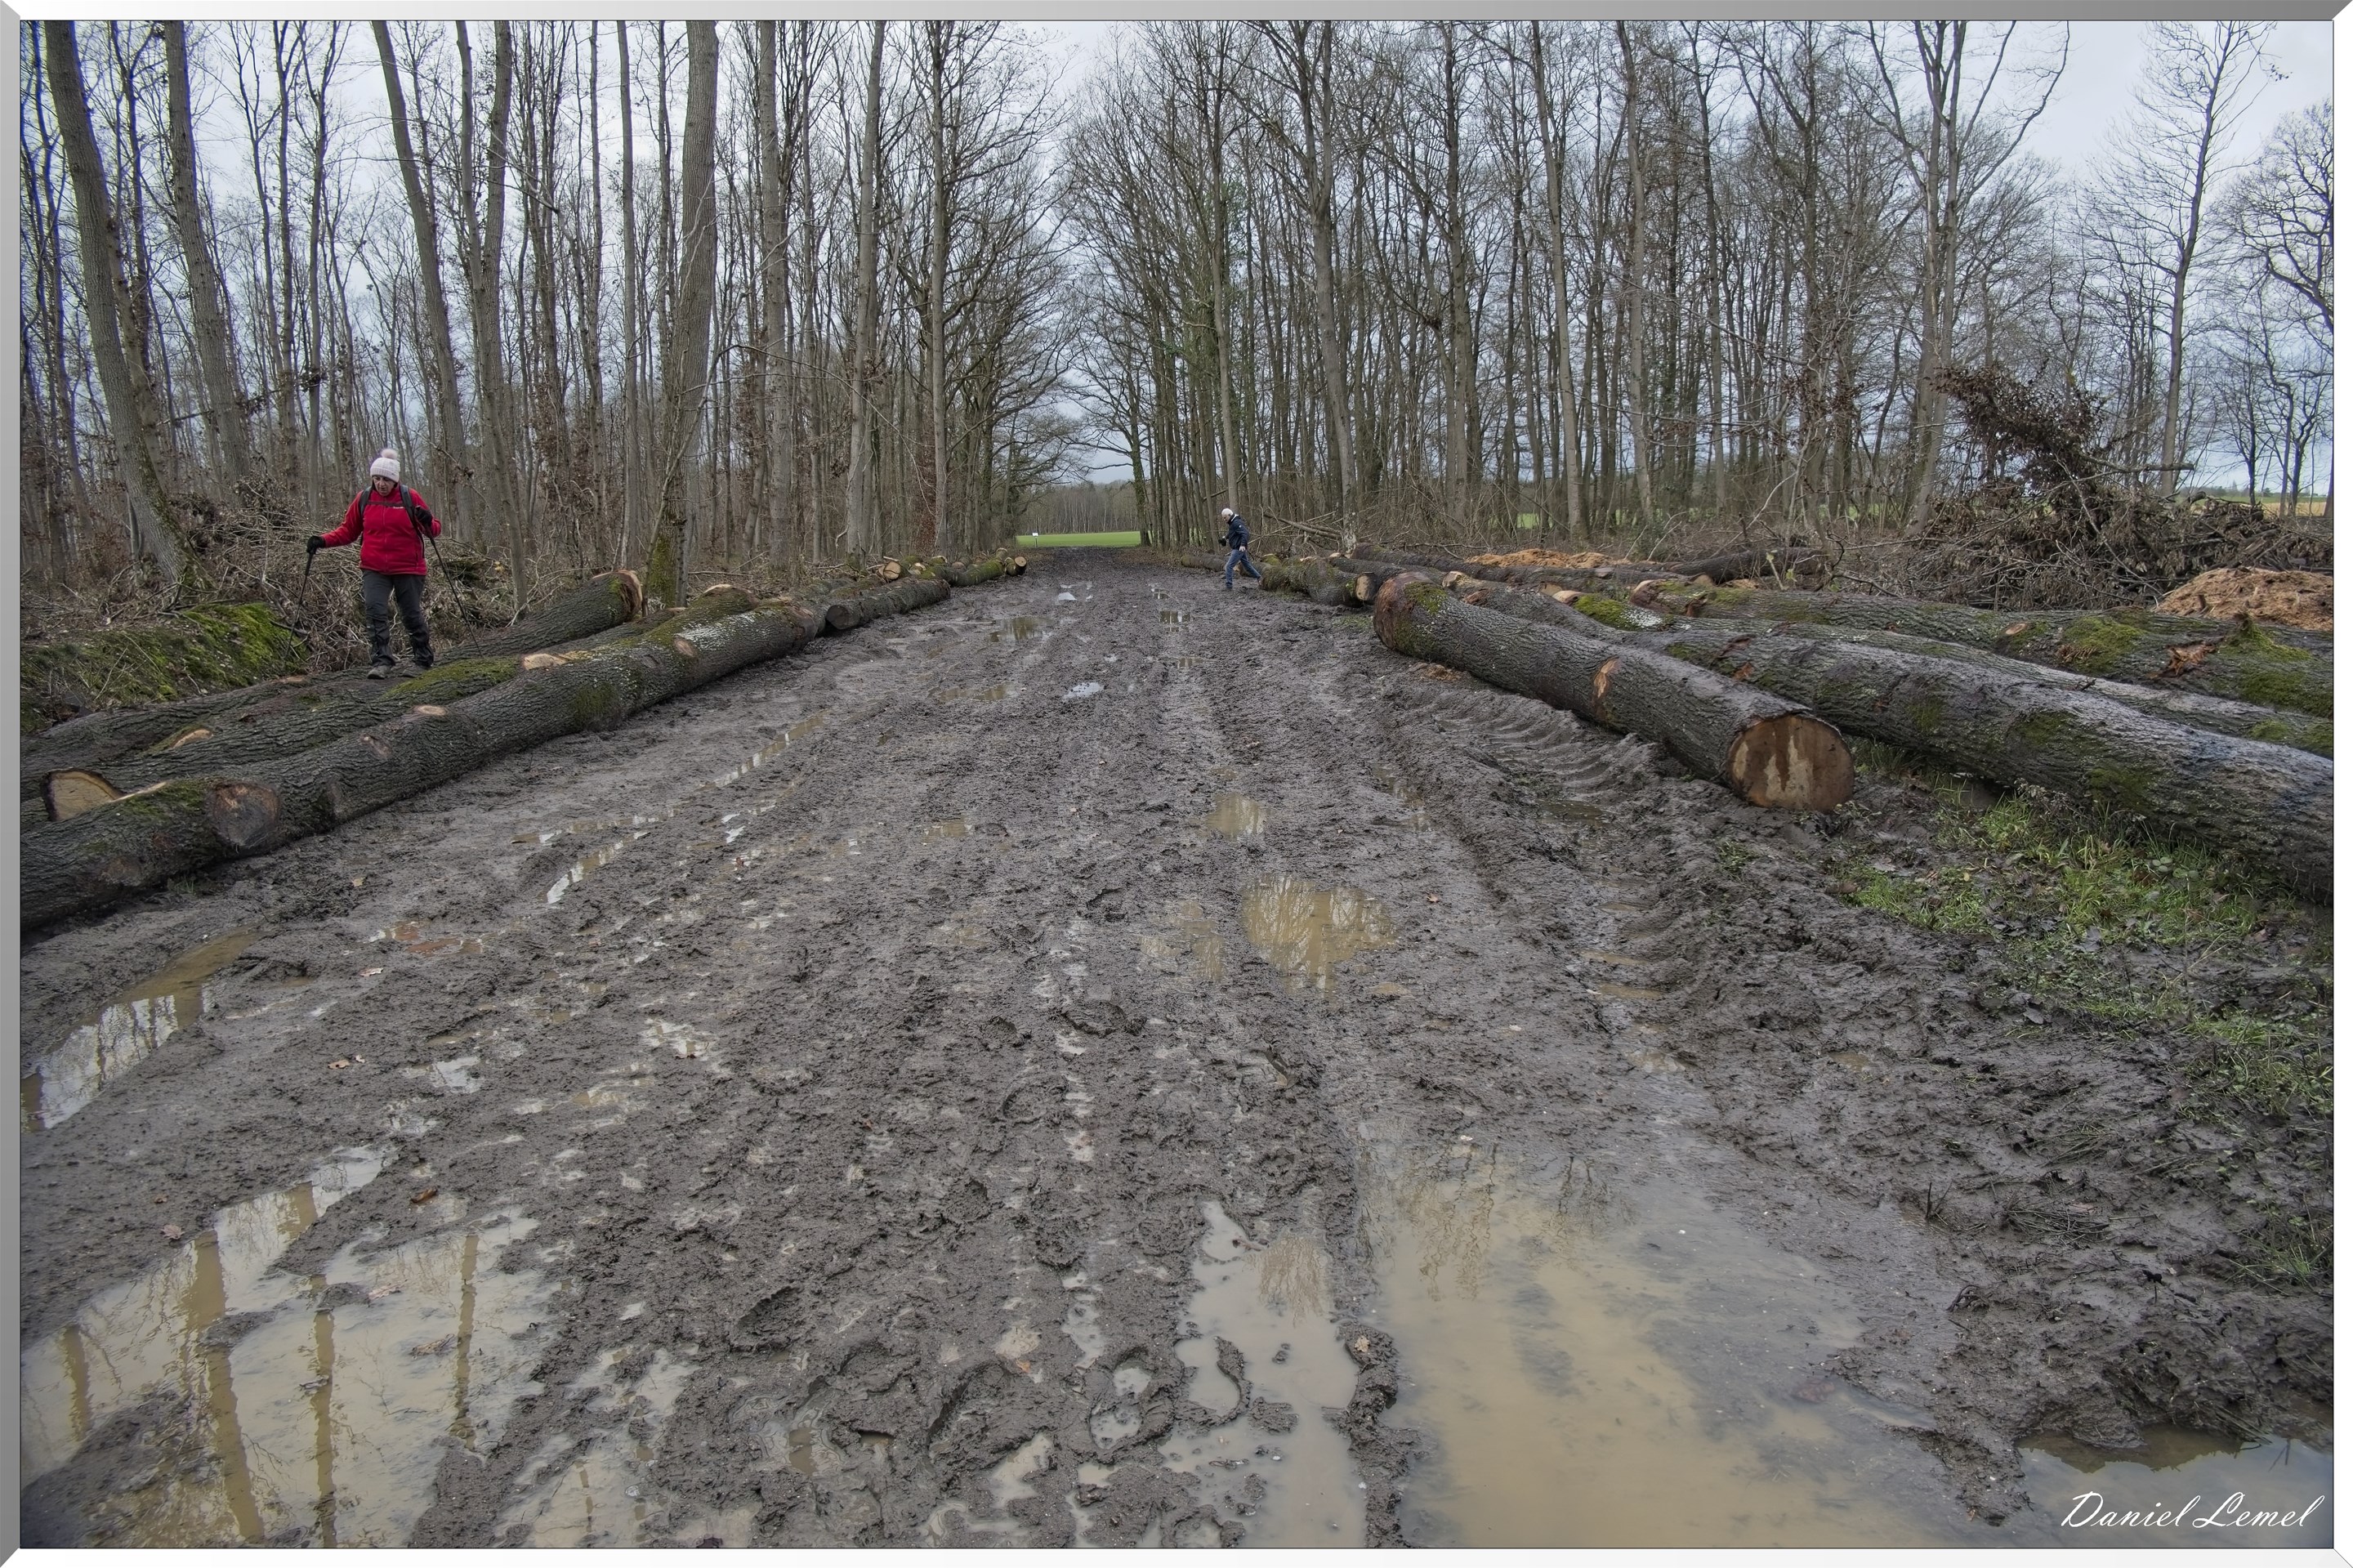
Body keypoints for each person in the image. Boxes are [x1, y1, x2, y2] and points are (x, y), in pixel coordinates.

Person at [310, 449, 441, 677]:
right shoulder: (364, 499)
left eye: (386, 480)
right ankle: (382, 661)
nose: (381, 484)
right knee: (375, 611)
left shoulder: (409, 497)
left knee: (410, 614)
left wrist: (428, 520)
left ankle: (422, 660)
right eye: (377, 479)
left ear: (395, 480)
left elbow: (433, 531)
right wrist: (322, 541)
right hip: (374, 567)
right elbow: (348, 531)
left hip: (408, 567)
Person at [1219, 507, 1262, 591]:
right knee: (1247, 566)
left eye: (1225, 518)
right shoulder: (1233, 523)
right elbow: (1233, 533)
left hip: (1239, 548)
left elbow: (1245, 533)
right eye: (1223, 518)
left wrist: (1243, 545)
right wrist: (1225, 537)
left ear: (1229, 515)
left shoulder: (1236, 522)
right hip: (1239, 548)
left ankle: (1229, 586)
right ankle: (1260, 578)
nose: (1224, 520)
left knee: (1229, 566)